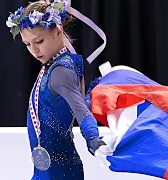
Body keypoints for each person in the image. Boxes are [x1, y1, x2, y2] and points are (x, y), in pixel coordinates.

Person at [6, 1, 106, 179]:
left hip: (60, 172)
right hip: (50, 169)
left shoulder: (61, 70)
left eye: (39, 41)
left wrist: (93, 138)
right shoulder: (53, 64)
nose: (34, 50)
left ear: (58, 31)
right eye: (27, 44)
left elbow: (81, 110)